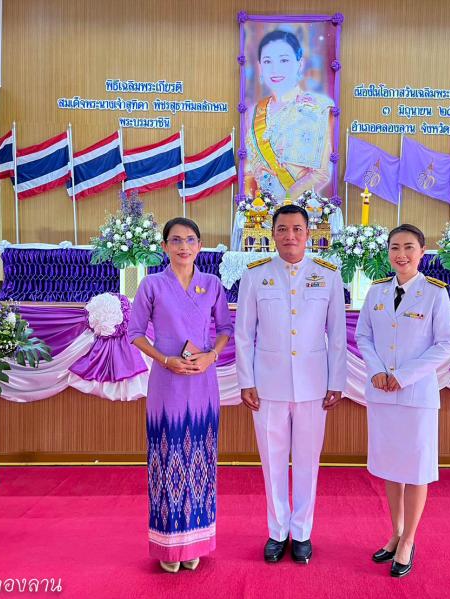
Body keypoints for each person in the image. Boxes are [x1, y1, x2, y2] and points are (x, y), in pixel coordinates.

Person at [235, 204, 347, 565]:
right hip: (267, 385)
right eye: (282, 229)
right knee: (272, 462)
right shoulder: (255, 275)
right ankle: (277, 530)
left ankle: (301, 533)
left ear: (308, 233)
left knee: (307, 462)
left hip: (314, 385)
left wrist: (336, 381)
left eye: (297, 229)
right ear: (272, 234)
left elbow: (338, 335)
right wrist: (246, 380)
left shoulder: (328, 275)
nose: (290, 236)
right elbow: (243, 334)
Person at [127, 217, 233, 574]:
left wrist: (211, 356)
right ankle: (168, 544)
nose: (183, 246)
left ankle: (197, 543)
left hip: (202, 380)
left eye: (190, 240)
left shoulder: (213, 284)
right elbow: (136, 333)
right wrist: (165, 359)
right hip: (167, 380)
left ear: (200, 246)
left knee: (200, 458)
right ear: (165, 246)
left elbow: (225, 329)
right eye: (175, 240)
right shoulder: (152, 285)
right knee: (167, 456)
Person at [354, 224, 450, 578]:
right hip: (382, 393)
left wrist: (404, 375)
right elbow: (363, 334)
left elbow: (445, 343)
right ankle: (395, 533)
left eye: (409, 247)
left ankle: (409, 540)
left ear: (422, 252)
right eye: (395, 247)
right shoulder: (378, 290)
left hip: (416, 396)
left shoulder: (434, 293)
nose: (401, 254)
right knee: (390, 467)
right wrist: (378, 370)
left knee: (415, 471)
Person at [244, 29, 335, 201]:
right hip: (260, 208)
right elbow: (250, 165)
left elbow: (321, 173)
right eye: (268, 61)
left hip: (299, 209)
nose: (275, 69)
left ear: (299, 64)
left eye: (284, 60)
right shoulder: (252, 112)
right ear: (260, 67)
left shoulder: (317, 108)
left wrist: (285, 202)